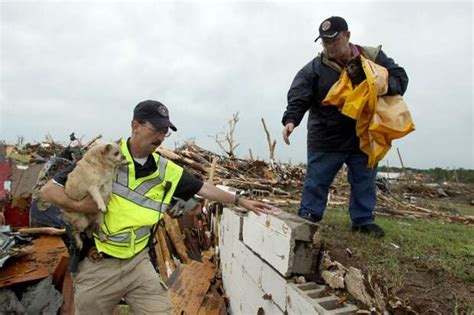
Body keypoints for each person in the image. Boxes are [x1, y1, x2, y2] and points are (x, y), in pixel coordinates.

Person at [41, 100, 273, 314]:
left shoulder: (166, 170)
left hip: (138, 264)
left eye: (165, 132)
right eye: (156, 130)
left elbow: (202, 188)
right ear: (136, 126)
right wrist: (81, 205)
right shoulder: (104, 156)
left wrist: (240, 201)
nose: (161, 137)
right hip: (99, 264)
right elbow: (48, 190)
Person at [281, 16, 408, 238]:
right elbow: (299, 95)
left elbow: (400, 78)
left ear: (347, 36)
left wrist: (378, 84)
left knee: (364, 180)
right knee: (317, 179)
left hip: (364, 133)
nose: (329, 46)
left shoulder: (373, 58)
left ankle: (363, 220)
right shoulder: (315, 69)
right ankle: (309, 215)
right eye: (324, 42)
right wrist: (291, 120)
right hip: (326, 135)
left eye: (333, 40)